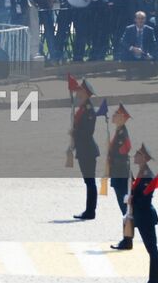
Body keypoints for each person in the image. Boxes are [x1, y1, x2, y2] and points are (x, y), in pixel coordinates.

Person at [127, 144, 158, 283]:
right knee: (151, 249)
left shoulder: (147, 176)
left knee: (152, 249)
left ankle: (154, 279)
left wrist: (132, 199)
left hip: (146, 217)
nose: (134, 156)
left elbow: (145, 200)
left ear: (143, 158)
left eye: (137, 154)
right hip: (141, 216)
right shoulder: (142, 172)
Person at [70, 78, 99, 220]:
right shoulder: (82, 108)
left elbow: (87, 132)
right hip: (83, 150)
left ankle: (90, 211)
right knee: (88, 181)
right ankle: (89, 210)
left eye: (81, 91)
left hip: (88, 150)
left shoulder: (88, 110)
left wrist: (74, 132)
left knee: (90, 181)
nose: (78, 93)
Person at [106, 103, 133, 250]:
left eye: (116, 114)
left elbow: (126, 148)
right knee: (124, 207)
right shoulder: (119, 130)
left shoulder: (122, 132)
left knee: (125, 208)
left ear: (122, 118)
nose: (113, 116)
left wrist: (114, 157)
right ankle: (126, 238)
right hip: (118, 170)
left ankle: (127, 239)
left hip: (120, 171)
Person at [119, 11, 158, 77]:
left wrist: (150, 55)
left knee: (147, 74)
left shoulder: (150, 30)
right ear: (135, 19)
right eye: (138, 18)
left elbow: (154, 44)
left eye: (142, 18)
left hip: (143, 55)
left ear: (145, 19)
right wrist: (133, 48)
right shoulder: (129, 29)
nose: (140, 20)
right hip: (131, 55)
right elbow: (123, 41)